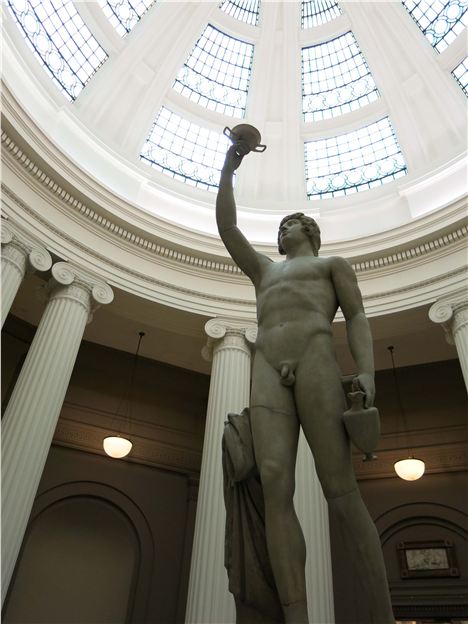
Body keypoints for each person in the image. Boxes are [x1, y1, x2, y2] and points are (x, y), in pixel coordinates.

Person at [216, 144, 394, 624]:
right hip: (268, 365)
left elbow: (356, 316)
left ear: (309, 231)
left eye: (289, 224)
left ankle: (382, 614)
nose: (282, 230)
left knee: (339, 488)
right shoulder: (264, 272)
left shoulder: (330, 265)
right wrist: (229, 167)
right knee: (275, 482)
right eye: (279, 227)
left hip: (315, 359)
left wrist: (367, 371)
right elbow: (228, 229)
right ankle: (296, 617)